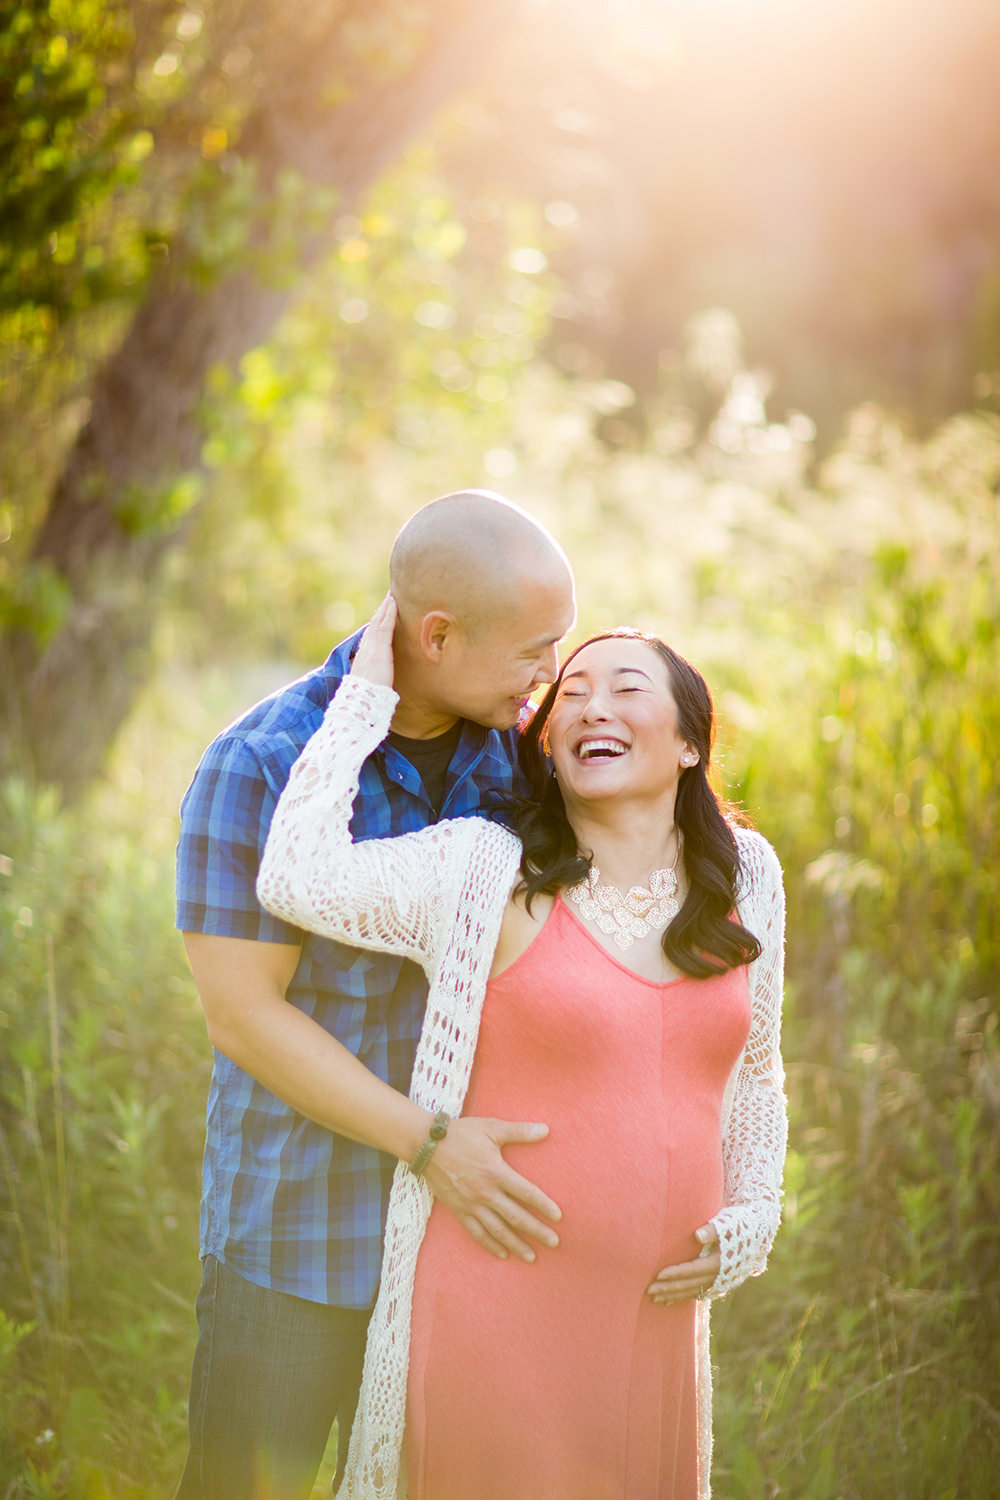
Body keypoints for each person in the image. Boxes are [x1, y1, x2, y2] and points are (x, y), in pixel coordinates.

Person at [256, 598, 788, 1500]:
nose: (589, 707)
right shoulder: (482, 872)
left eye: (625, 686)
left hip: (651, 1327)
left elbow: (758, 1070)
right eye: (570, 694)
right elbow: (294, 876)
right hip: (496, 1309)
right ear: (548, 744)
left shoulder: (746, 876)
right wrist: (363, 701)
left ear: (691, 742)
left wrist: (754, 1217)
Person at [173, 492, 577, 1500]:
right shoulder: (260, 763)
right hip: (300, 1238)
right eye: (535, 649)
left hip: (467, 1242)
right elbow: (245, 1017)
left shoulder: (521, 763)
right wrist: (429, 1141)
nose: (549, 675)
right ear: (437, 635)